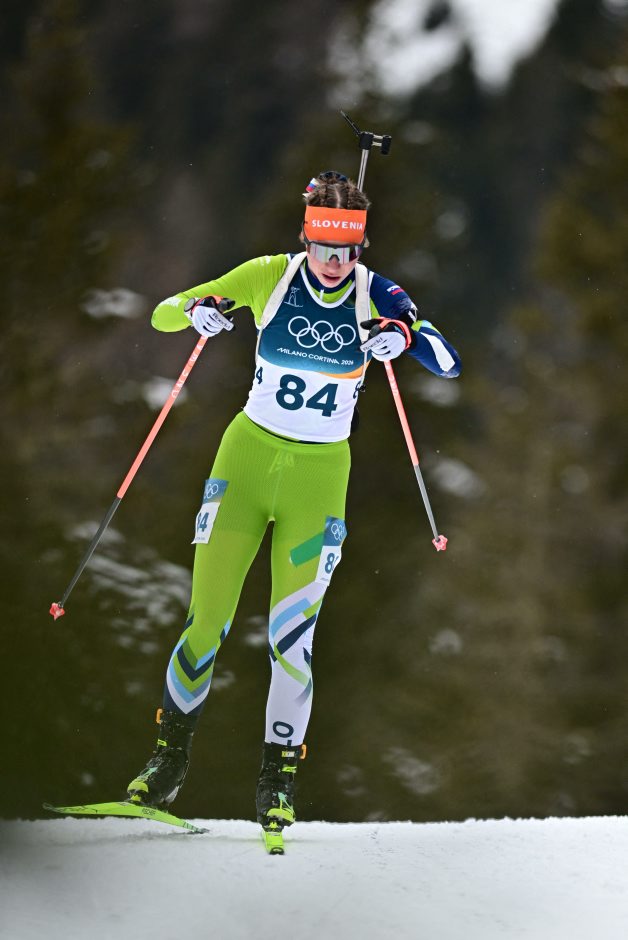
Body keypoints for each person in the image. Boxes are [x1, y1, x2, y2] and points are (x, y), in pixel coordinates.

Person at [126, 170, 461, 837]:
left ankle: (277, 784)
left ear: (361, 247)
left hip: (319, 478)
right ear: (306, 240)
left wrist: (404, 337)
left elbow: (448, 362)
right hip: (245, 463)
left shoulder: (378, 293)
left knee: (291, 638)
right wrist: (197, 312)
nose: (335, 263)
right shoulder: (267, 276)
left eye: (348, 251)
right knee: (206, 621)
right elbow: (163, 311)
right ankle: (167, 764)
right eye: (325, 248)